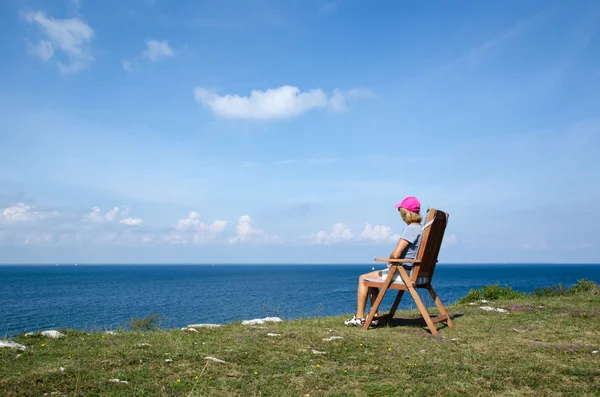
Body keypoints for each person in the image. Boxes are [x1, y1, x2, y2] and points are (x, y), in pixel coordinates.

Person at [344, 196, 423, 326]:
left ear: (405, 212)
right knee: (372, 281)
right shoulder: (421, 229)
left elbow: (397, 254)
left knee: (363, 279)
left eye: (400, 211)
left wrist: (390, 259)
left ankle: (359, 317)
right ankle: (374, 316)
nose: (400, 214)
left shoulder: (411, 229)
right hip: (416, 273)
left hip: (405, 274)